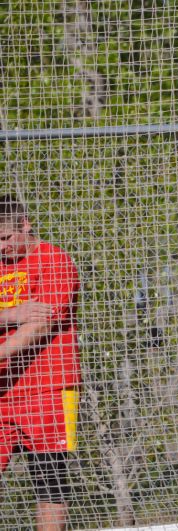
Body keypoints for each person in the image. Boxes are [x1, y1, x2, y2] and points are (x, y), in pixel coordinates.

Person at [0, 195, 80, 531]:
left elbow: (42, 325)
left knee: (50, 482)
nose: (0, 247)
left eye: (5, 238)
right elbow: (22, 317)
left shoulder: (55, 260)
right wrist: (11, 313)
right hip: (3, 392)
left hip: (50, 389)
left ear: (25, 225)